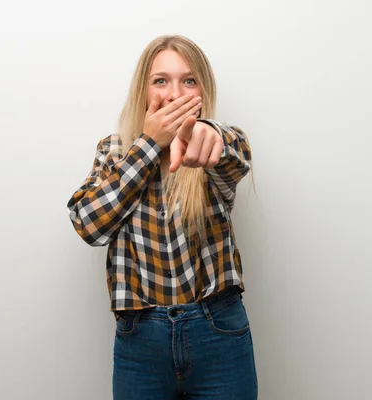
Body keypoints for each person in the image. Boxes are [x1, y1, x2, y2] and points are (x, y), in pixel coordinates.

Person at [67, 34, 257, 400]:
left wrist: (209, 132)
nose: (174, 94)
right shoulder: (115, 152)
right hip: (141, 341)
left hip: (218, 332)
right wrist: (149, 144)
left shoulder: (215, 145)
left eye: (189, 81)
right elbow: (88, 224)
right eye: (161, 81)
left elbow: (237, 154)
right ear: (144, 89)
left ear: (203, 91)